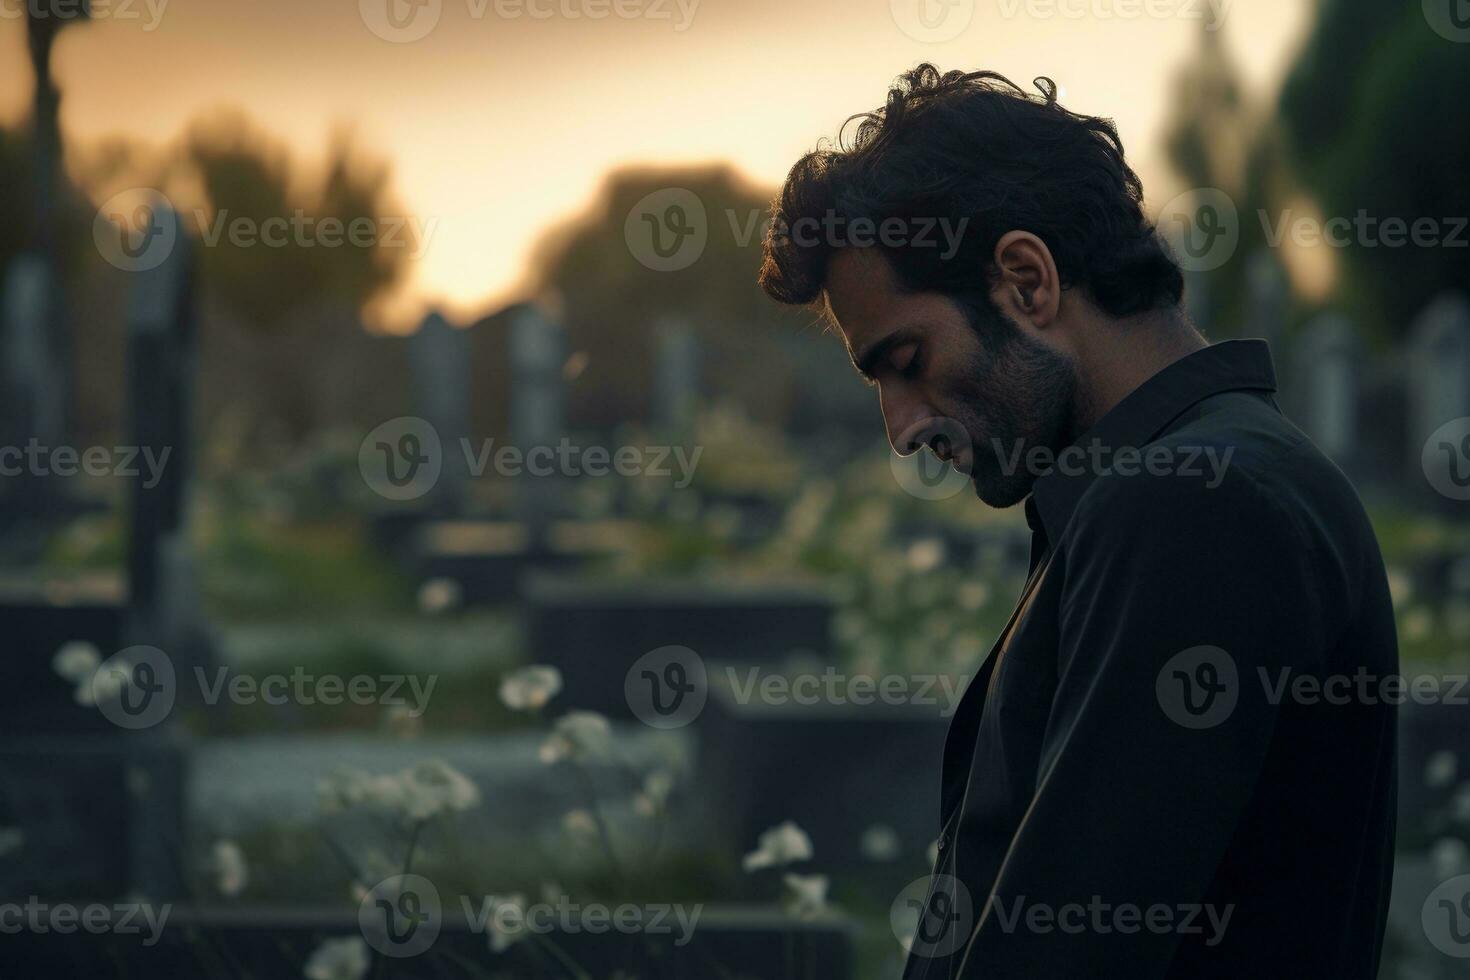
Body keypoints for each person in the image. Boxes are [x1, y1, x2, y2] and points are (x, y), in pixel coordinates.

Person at [758, 65, 1397, 979]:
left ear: (1026, 281)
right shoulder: (1183, 481)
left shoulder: (1196, 502)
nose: (903, 430)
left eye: (908, 359)